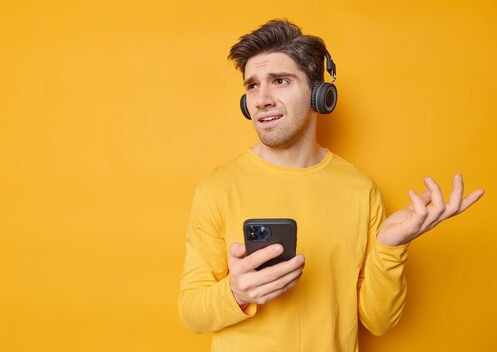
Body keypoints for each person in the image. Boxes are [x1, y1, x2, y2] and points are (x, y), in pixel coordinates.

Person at [177, 19, 484, 351]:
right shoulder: (217, 188)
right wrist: (236, 293)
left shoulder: (360, 189)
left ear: (320, 94)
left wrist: (390, 247)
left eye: (279, 81)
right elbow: (192, 312)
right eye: (252, 85)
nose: (261, 99)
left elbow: (379, 322)